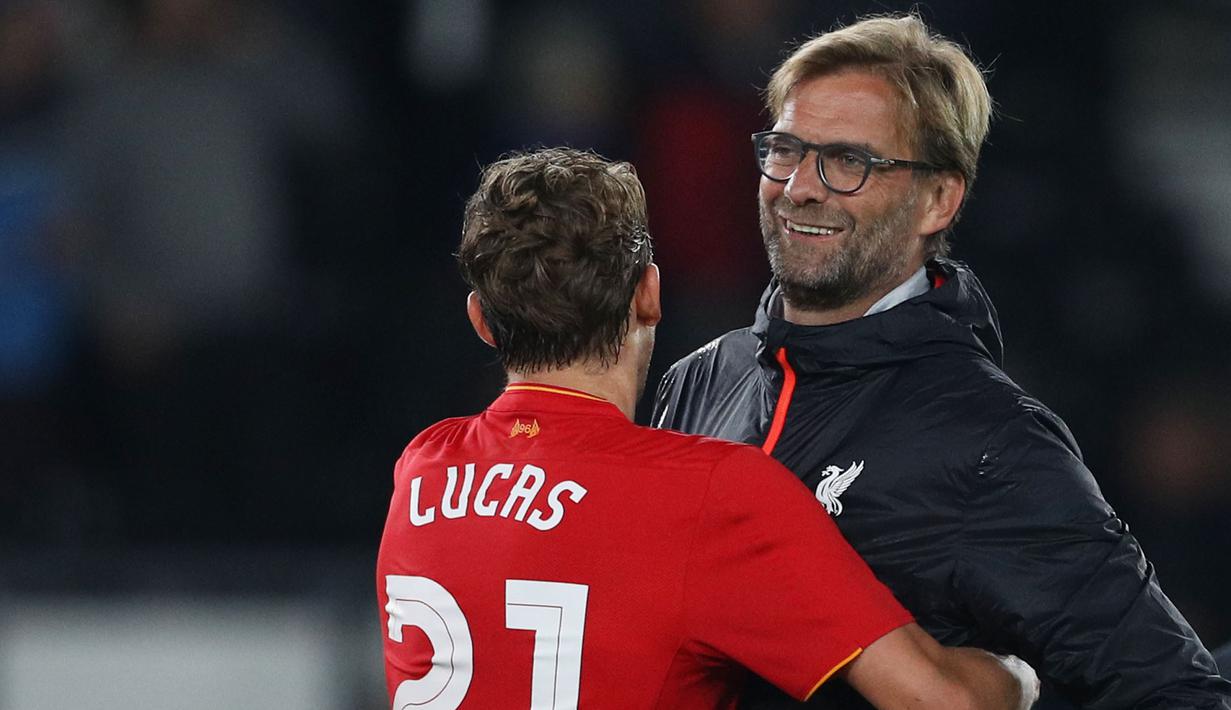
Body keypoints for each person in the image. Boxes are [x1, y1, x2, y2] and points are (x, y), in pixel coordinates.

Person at [651, 12, 1231, 710]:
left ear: (937, 200)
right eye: (785, 148)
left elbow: (1173, 690)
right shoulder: (700, 379)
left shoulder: (988, 442)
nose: (799, 186)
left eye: (848, 161)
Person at [376, 147, 1038, 709]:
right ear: (649, 294)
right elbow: (938, 699)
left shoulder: (421, 470)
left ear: (481, 321)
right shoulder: (711, 493)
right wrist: (1023, 673)